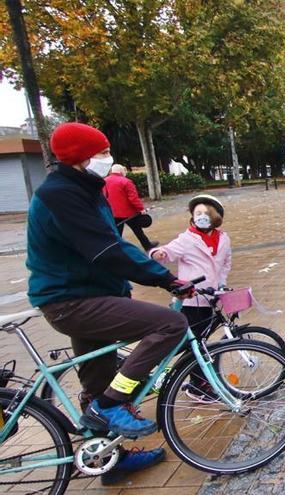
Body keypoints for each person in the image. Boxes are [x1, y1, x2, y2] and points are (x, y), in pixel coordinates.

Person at [26, 123, 196, 484]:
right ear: (82, 157)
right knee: (170, 324)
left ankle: (110, 459)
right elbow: (107, 248)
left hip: (90, 295)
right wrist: (164, 278)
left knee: (99, 379)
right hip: (71, 301)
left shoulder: (85, 188)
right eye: (102, 152)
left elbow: (105, 244)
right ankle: (110, 406)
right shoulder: (61, 194)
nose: (109, 158)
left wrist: (123, 288)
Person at [150, 194, 231, 402]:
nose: (201, 217)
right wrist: (157, 253)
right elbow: (168, 251)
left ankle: (196, 380)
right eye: (197, 214)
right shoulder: (187, 239)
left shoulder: (223, 238)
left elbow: (225, 264)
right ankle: (196, 383)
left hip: (210, 298)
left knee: (198, 340)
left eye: (206, 213)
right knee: (193, 342)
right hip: (190, 299)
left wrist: (221, 284)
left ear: (215, 217)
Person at [103, 164, 158, 251]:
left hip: (113, 212)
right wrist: (141, 209)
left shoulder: (104, 181)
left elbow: (104, 197)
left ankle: (116, 249)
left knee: (117, 233)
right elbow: (133, 198)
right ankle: (147, 246)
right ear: (121, 171)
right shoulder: (126, 181)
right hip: (128, 213)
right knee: (138, 230)